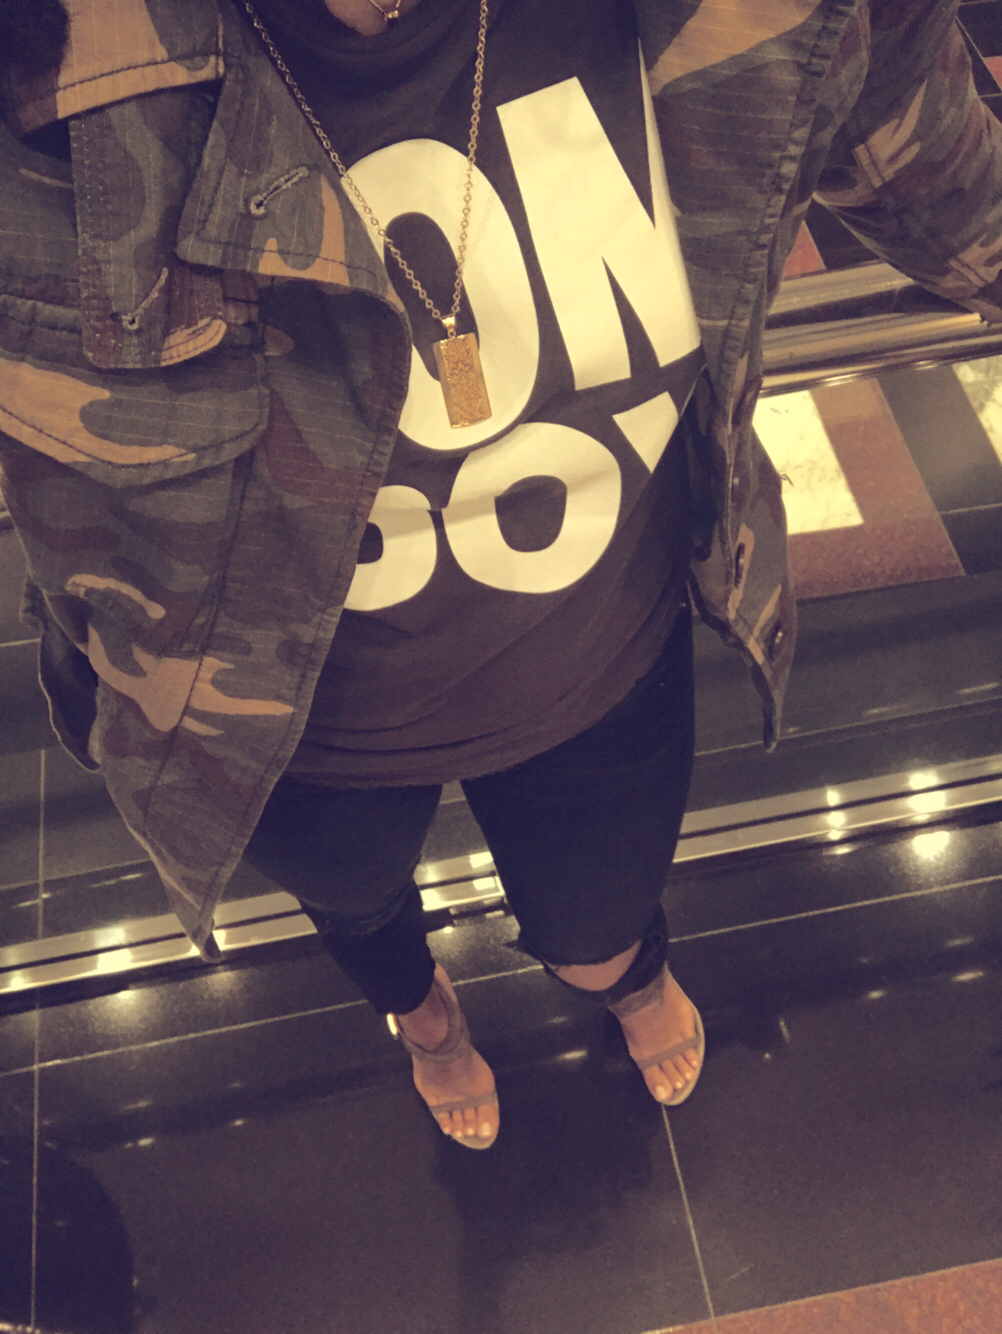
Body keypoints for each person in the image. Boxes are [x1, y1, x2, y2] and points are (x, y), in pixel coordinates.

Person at [1, 0, 1000, 1149]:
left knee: (602, 920)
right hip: (261, 739)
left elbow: (952, 183)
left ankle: (620, 976)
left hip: (595, 658)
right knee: (359, 909)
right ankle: (424, 1018)